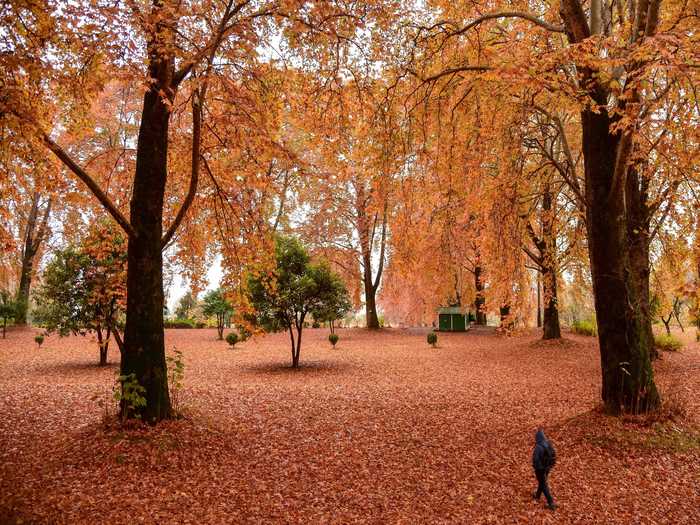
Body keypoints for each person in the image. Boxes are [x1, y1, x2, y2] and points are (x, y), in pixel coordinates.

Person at [532, 428, 557, 510]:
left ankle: (551, 503)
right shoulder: (548, 444)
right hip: (547, 467)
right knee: (542, 482)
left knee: (543, 484)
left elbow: (535, 459)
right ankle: (537, 495)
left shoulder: (538, 447)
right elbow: (554, 454)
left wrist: (537, 468)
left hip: (540, 469)